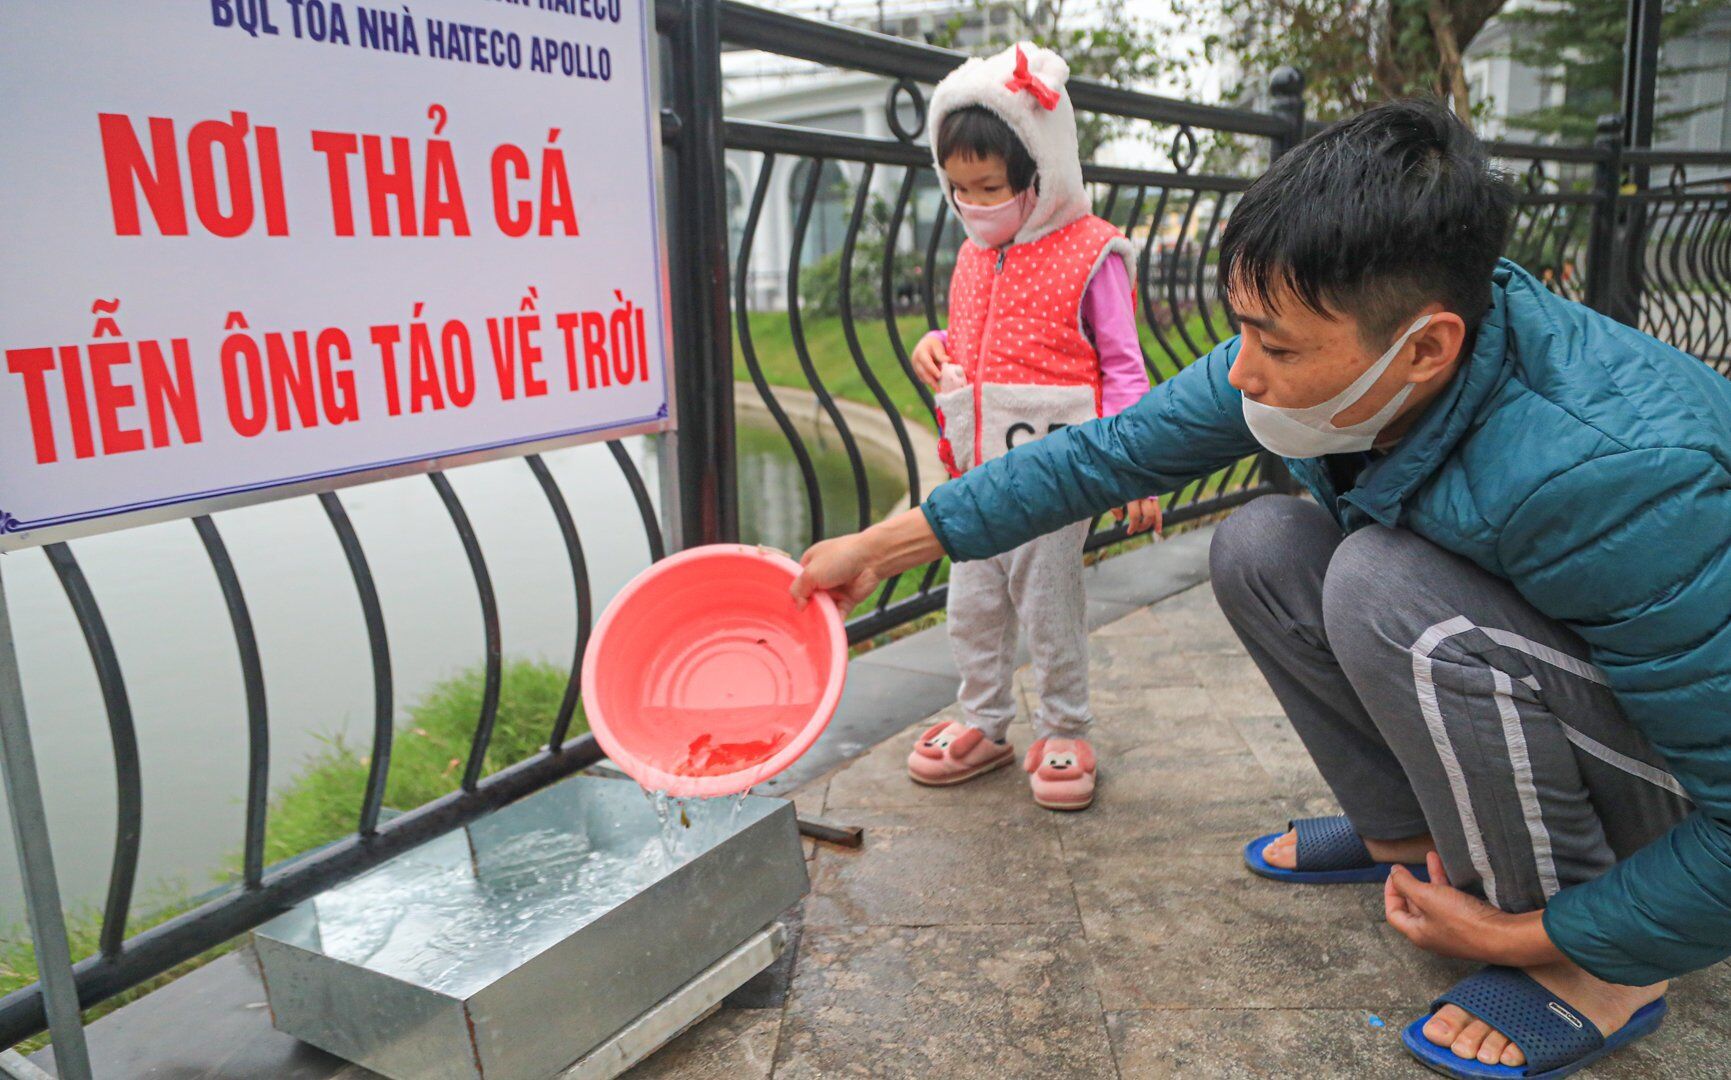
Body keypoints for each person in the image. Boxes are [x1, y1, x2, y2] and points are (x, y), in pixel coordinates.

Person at [793, 99, 1731, 1077]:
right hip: (1574, 695)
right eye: (1244, 331)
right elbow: (1104, 456)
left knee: (1382, 585)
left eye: (1275, 349)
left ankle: (1593, 965)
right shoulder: (1350, 331)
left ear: (1425, 348)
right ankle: (1409, 838)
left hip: (1676, 788)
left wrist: (1526, 936)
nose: (1243, 373)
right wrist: (884, 547)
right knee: (1261, 544)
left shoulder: (1622, 474)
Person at [900, 42, 1159, 811]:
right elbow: (977, 342)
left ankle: (1064, 726)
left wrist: (1135, 469)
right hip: (977, 470)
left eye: (990, 187)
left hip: (1056, 470)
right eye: (958, 188)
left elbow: (1123, 367)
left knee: (1048, 606)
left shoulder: (1091, 252)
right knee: (972, 604)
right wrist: (935, 346)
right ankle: (983, 720)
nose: (974, 203)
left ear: (1039, 171)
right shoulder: (974, 254)